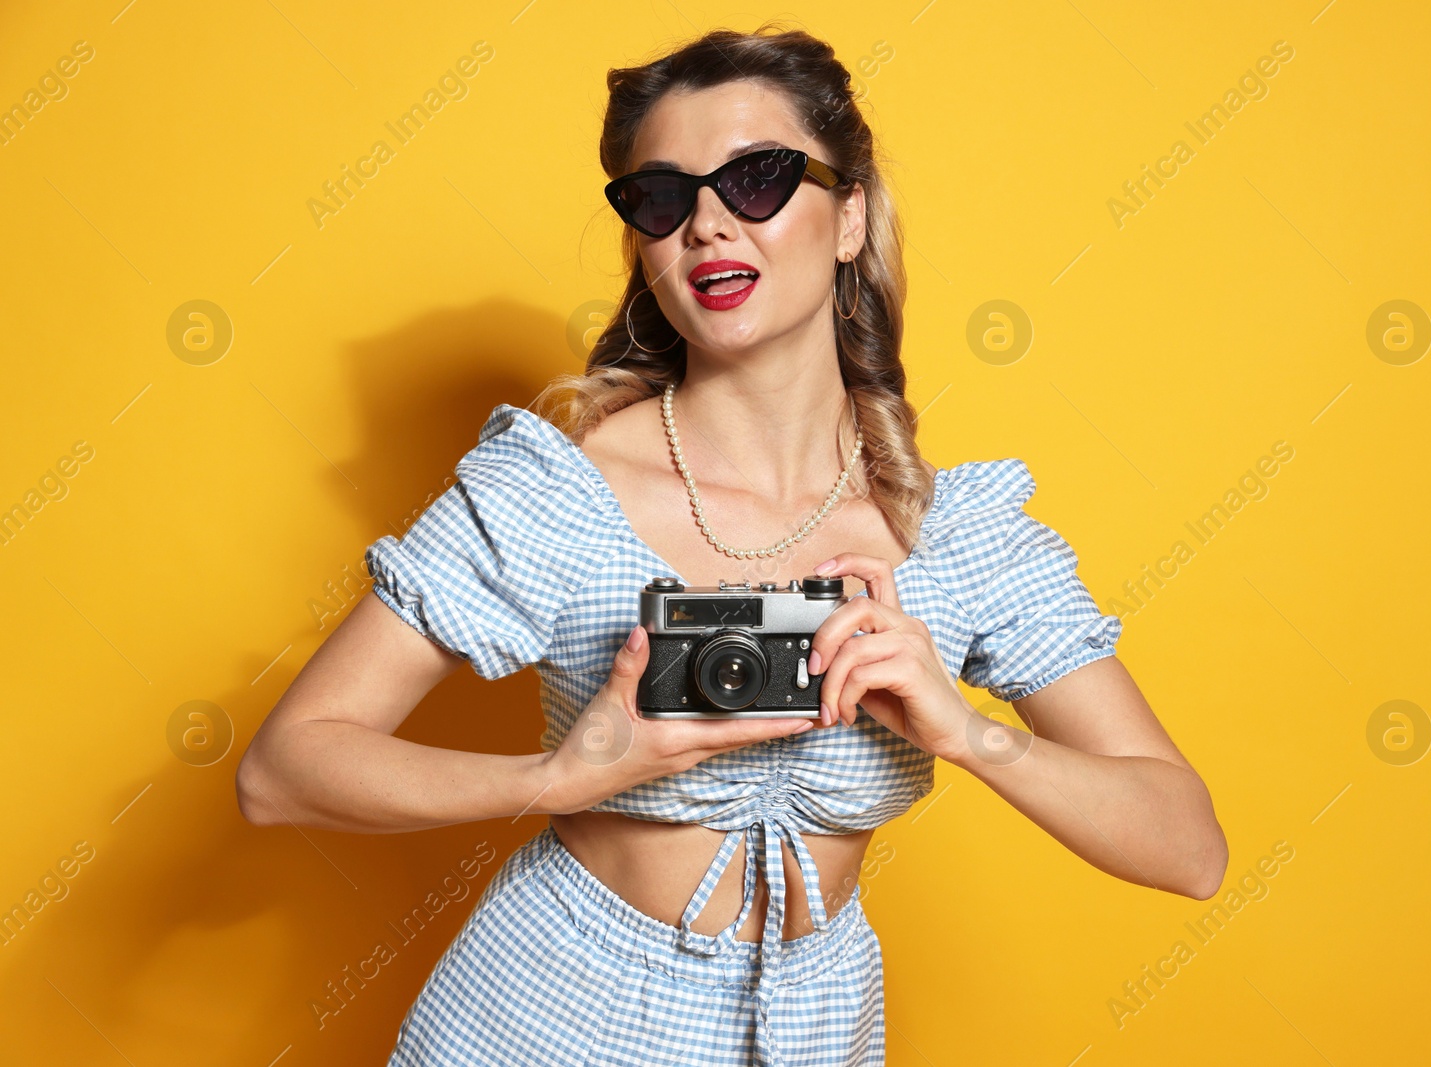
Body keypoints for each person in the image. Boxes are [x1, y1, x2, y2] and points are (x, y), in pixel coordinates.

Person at [236, 22, 1227, 1067]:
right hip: (544, 1017)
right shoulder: (561, 496)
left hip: (815, 1031)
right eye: (662, 197)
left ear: (848, 215)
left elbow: (1187, 847)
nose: (707, 224)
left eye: (755, 178)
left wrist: (963, 728)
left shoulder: (953, 537)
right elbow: (284, 769)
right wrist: (568, 774)